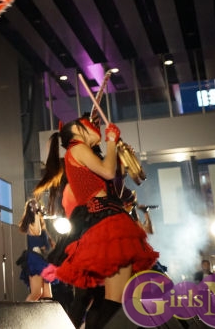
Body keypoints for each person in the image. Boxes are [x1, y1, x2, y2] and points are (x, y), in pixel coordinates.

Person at [33, 116, 159, 329]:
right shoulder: (77, 147)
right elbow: (108, 172)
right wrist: (110, 141)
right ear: (77, 130)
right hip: (107, 222)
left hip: (105, 220)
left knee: (108, 299)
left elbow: (114, 181)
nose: (95, 128)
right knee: (112, 300)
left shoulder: (78, 153)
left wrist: (118, 154)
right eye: (88, 125)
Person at [16, 199, 55, 301]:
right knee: (37, 293)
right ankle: (23, 310)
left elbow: (48, 245)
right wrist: (37, 214)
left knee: (47, 295)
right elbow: (37, 232)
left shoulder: (42, 226)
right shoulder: (30, 224)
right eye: (35, 206)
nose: (38, 207)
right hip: (34, 259)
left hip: (42, 260)